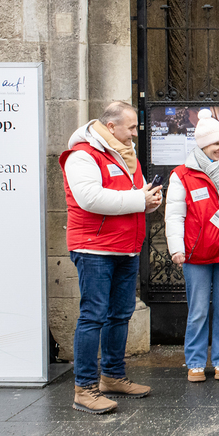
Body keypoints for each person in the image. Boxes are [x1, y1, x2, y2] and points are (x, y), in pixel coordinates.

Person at [60, 101, 162, 414]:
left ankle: (113, 377)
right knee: (93, 316)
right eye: (131, 127)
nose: (135, 133)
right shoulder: (82, 155)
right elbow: (90, 198)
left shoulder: (126, 155)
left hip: (125, 247)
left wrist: (148, 201)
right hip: (94, 249)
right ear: (111, 127)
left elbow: (130, 196)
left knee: (120, 314)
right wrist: (138, 199)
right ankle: (84, 389)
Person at [165, 109, 219, 383]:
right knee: (199, 311)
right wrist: (176, 248)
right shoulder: (182, 175)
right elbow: (175, 215)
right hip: (197, 253)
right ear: (202, 144)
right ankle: (195, 361)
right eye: (216, 143)